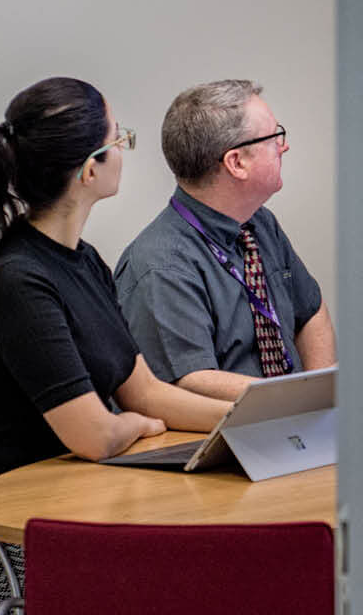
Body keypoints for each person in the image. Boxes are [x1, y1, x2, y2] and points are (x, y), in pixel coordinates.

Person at [0, 77, 232, 613]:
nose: (124, 148)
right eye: (118, 138)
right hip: (12, 543)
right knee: (200, 582)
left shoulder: (84, 260)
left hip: (85, 502)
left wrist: (244, 417)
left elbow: (144, 390)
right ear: (89, 168)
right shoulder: (19, 280)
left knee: (221, 562)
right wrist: (143, 427)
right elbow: (96, 436)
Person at [115, 80, 335, 400]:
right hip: (218, 437)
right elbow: (189, 381)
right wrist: (294, 402)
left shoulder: (259, 223)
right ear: (236, 163)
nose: (283, 146)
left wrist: (320, 403)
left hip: (289, 424)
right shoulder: (160, 264)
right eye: (275, 136)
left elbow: (311, 312)